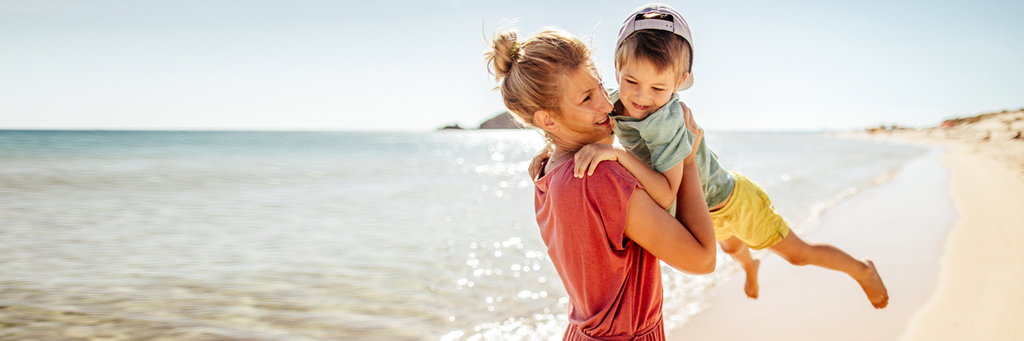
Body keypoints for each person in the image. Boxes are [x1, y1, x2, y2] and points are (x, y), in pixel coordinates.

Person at [567, 3, 889, 309]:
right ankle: (751, 267)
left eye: (658, 88)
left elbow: (666, 193)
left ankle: (862, 270)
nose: (641, 97)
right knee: (734, 247)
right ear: (618, 68)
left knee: (798, 254)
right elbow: (595, 127)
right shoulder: (613, 102)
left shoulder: (665, 122)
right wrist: (556, 152)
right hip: (704, 214)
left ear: (679, 83)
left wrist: (617, 155)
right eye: (631, 81)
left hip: (732, 202)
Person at [486, 27, 717, 340]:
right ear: (548, 121)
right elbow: (703, 260)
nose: (608, 106)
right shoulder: (600, 176)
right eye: (586, 98)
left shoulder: (545, 171)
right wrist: (687, 158)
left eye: (600, 89)